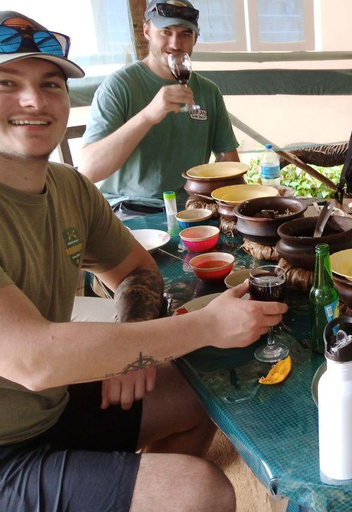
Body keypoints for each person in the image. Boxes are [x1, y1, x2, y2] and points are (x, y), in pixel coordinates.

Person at [0, 11, 286, 511]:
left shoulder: (66, 189)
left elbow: (137, 270)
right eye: (7, 82)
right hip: (7, 451)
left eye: (50, 84)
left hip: (55, 408)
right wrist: (203, 328)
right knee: (201, 491)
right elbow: (33, 359)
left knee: (206, 392)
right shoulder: (125, 90)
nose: (34, 101)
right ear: (147, 34)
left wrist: (131, 343)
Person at [79, 0, 240, 212]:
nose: (175, 43)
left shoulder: (208, 91)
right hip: (131, 210)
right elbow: (88, 169)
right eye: (165, 31)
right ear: (147, 31)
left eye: (185, 34)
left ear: (195, 40)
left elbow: (228, 161)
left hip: (193, 209)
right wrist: (148, 116)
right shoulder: (119, 86)